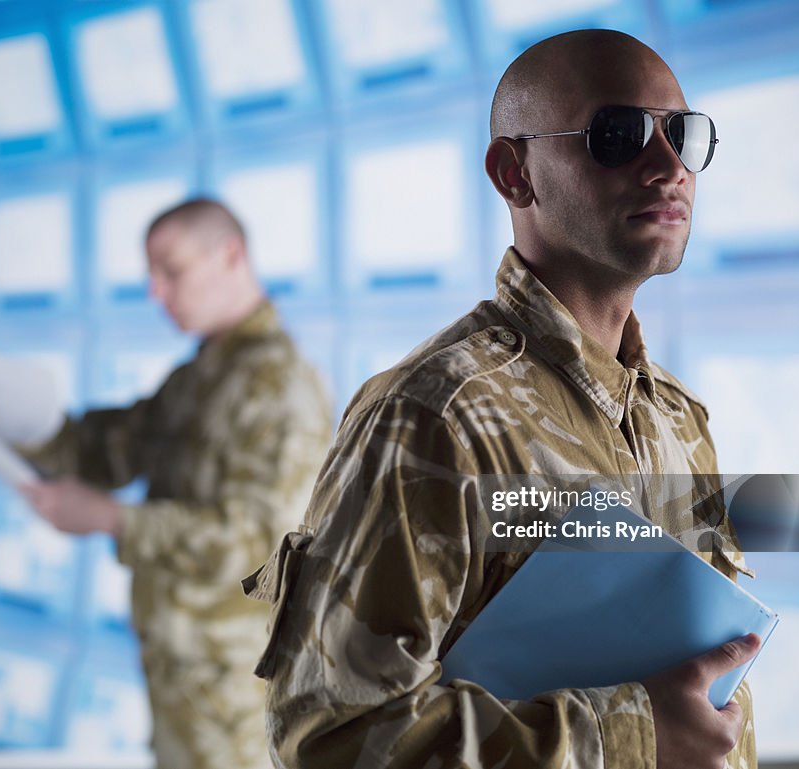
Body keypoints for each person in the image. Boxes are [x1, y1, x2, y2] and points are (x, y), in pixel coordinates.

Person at [245, 30, 759, 769]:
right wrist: (629, 739)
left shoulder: (678, 416)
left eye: (685, 133)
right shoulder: (435, 415)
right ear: (514, 174)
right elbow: (329, 736)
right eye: (618, 135)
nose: (668, 164)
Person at [0, 198, 332, 769]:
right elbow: (104, 451)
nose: (155, 292)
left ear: (230, 255)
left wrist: (112, 519)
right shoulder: (195, 380)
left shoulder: (282, 389)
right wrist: (10, 413)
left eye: (171, 271)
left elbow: (260, 548)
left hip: (234, 698)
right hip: (181, 679)